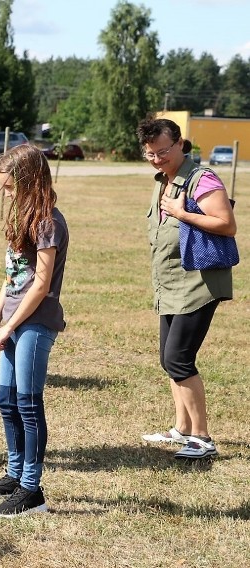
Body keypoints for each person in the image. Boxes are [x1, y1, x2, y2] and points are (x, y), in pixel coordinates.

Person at [0, 145, 68, 518]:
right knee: (6, 401)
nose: (6, 194)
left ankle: (32, 489)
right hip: (11, 324)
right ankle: (13, 475)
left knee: (28, 404)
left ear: (29, 182)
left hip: (35, 324)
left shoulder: (49, 223)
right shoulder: (24, 219)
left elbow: (40, 285)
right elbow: (11, 278)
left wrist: (12, 324)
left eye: (10, 187)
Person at [136, 117, 235, 459]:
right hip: (171, 284)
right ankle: (182, 429)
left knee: (179, 359)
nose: (157, 159)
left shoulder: (201, 179)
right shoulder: (163, 178)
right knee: (168, 359)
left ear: (180, 143)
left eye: (162, 151)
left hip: (198, 283)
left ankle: (203, 439)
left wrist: (183, 213)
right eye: (150, 153)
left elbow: (226, 224)